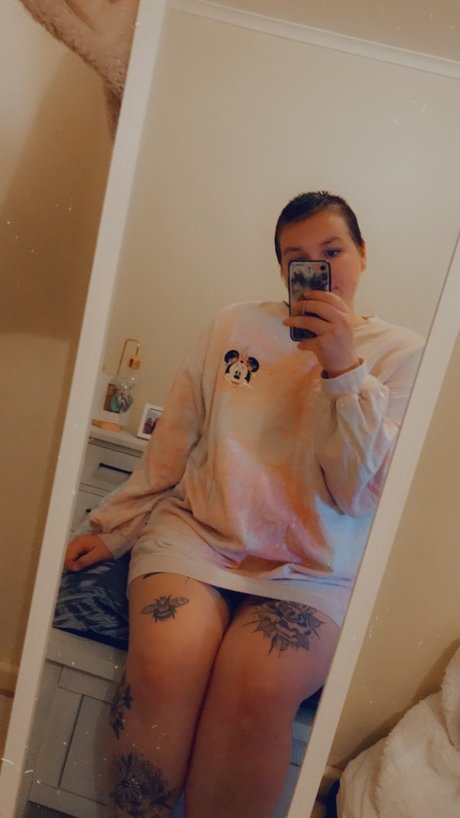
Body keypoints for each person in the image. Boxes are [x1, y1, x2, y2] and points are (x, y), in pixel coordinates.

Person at [65, 191, 424, 818]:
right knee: (166, 665)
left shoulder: (401, 354)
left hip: (314, 566)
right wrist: (115, 528)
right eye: (296, 258)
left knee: (256, 690)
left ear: (363, 254)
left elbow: (355, 493)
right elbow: (174, 441)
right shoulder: (232, 327)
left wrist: (343, 370)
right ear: (281, 268)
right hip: (199, 535)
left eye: (333, 251)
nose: (317, 269)